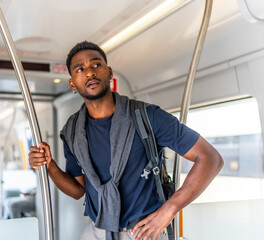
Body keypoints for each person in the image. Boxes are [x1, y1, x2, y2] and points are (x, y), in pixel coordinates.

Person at [29, 41, 223, 240]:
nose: (89, 73)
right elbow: (79, 190)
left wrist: (169, 210)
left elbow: (210, 158)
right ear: (72, 83)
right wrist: (49, 165)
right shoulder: (72, 131)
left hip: (144, 231)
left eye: (96, 65)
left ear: (109, 72)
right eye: (80, 69)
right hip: (98, 231)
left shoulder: (147, 116)